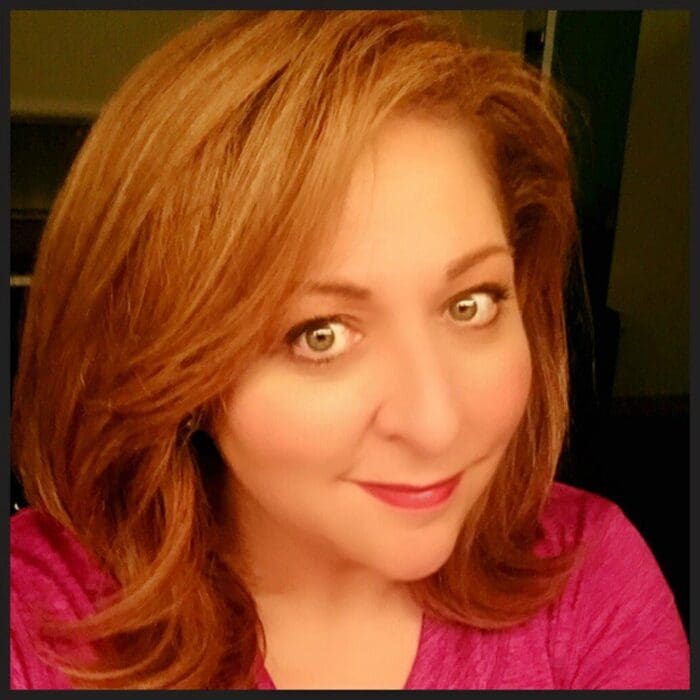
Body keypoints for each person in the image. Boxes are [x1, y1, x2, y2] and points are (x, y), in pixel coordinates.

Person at [10, 10, 689, 690]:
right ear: (171, 362)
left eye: (470, 304)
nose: (436, 425)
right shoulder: (38, 621)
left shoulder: (589, 585)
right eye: (321, 335)